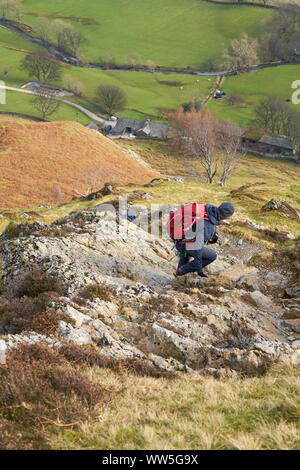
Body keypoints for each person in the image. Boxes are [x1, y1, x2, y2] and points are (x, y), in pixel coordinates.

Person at [174, 202, 234, 278]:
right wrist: (199, 269)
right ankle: (182, 271)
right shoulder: (208, 225)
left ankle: (178, 274)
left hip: (180, 239)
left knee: (187, 250)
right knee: (212, 255)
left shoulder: (208, 210)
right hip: (185, 245)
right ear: (226, 217)